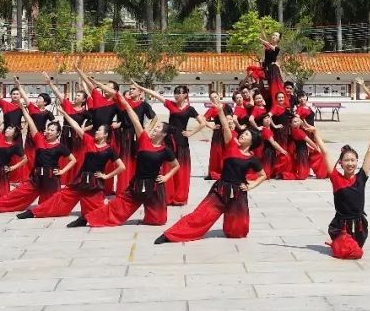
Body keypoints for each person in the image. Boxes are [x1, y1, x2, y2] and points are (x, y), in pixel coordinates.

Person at [155, 96, 268, 244]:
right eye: (243, 133)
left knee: (237, 231)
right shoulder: (231, 145)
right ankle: (171, 235)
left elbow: (262, 175)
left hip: (238, 193)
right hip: (221, 189)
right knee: (201, 215)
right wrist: (220, 111)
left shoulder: (252, 159)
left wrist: (250, 186)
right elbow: (226, 128)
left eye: (246, 135)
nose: (241, 135)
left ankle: (233, 228)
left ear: (252, 142)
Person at [75, 82, 178, 228]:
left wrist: (166, 177)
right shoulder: (143, 139)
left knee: (158, 221)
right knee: (116, 209)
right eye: (155, 127)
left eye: (158, 128)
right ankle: (87, 218)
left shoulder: (165, 150)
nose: (154, 129)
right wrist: (126, 104)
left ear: (164, 134)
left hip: (155, 187)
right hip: (137, 184)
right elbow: (135, 119)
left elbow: (176, 166)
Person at [19, 103, 125, 220]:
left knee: (97, 208)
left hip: (95, 182)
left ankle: (87, 219)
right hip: (81, 178)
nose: (96, 132)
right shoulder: (89, 141)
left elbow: (122, 167)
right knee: (62, 196)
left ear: (106, 134)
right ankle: (34, 212)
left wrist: (106, 176)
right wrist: (65, 114)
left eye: (99, 131)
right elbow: (76, 126)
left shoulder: (110, 150)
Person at [0, 97, 75, 215]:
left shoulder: (60, 146)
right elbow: (31, 122)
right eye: (48, 129)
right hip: (36, 177)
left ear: (58, 133)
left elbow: (73, 160)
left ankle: (32, 213)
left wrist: (62, 171)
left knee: (51, 204)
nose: (49, 131)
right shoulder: (39, 139)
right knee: (18, 193)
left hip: (50, 179)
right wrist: (23, 109)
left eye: (52, 130)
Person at [318, 128, 370, 260]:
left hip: (359, 227)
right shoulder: (336, 178)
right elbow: (325, 152)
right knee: (351, 253)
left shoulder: (361, 177)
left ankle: (340, 244)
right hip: (341, 226)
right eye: (346, 160)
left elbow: (369, 152)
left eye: (353, 160)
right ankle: (338, 242)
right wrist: (315, 132)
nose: (350, 163)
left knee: (355, 251)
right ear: (340, 163)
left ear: (357, 161)